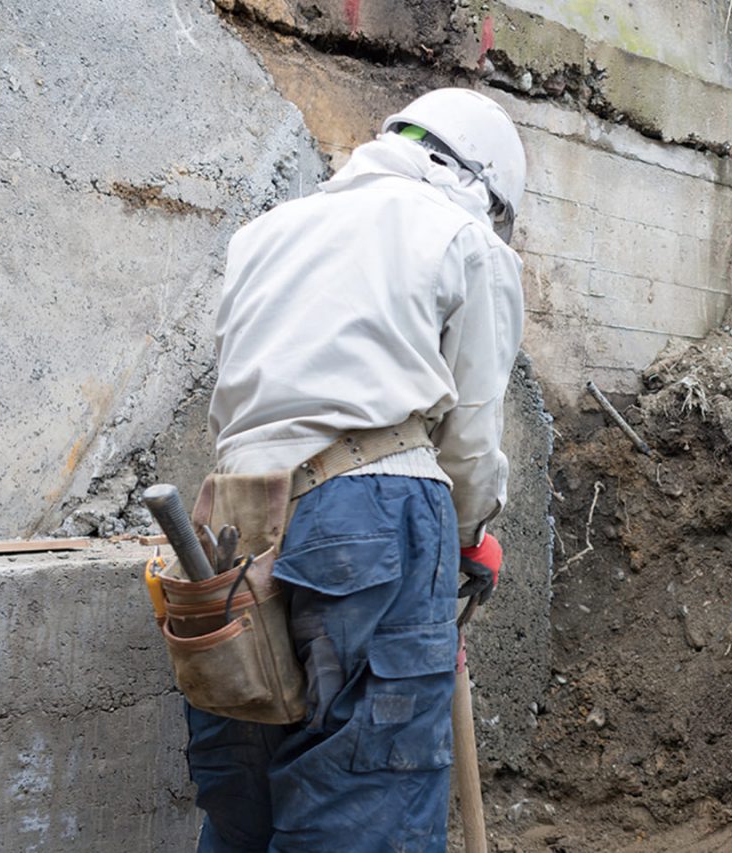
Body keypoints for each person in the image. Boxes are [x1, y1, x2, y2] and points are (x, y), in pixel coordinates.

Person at [188, 87, 526, 851]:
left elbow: (230, 403)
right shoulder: (464, 239)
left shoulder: (264, 233)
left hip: (234, 522)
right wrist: (469, 534)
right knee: (365, 803)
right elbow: (470, 435)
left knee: (243, 804)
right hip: (371, 515)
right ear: (480, 181)